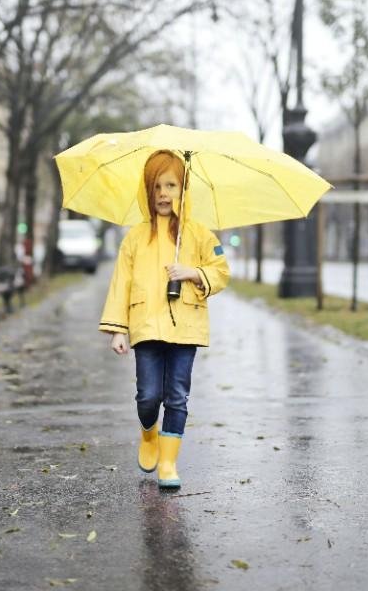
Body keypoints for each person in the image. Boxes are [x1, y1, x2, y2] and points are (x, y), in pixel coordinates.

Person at [99, 149, 230, 489]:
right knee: (148, 395)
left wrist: (193, 271)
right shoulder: (136, 237)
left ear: (183, 191)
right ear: (148, 191)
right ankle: (148, 435)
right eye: (156, 187)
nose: (163, 194)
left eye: (171, 185)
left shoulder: (199, 234)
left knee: (176, 395)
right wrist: (118, 329)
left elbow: (221, 271)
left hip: (186, 326)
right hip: (146, 326)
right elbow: (120, 284)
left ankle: (168, 463)